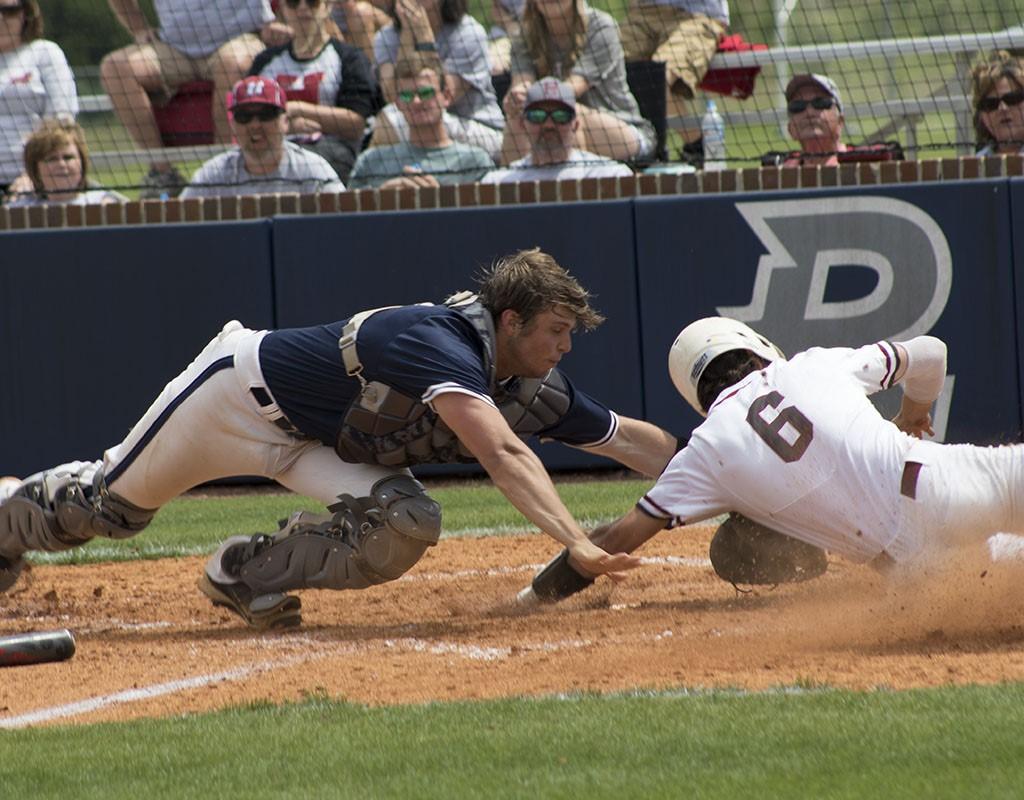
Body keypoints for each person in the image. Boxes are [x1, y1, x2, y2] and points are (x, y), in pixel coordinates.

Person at [0, 249, 679, 632]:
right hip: (233, 401)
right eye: (555, 333)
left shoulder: (525, 382)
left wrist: (719, 474)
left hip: (315, 444)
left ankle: (241, 572)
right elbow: (501, 454)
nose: (564, 348)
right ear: (509, 321)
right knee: (105, 511)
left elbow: (630, 442)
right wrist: (577, 541)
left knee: (406, 522)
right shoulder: (438, 344)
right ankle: (7, 515)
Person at [518, 316, 1024, 607]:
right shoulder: (814, 363)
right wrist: (911, 416)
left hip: (921, 575)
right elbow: (931, 352)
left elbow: (607, 543)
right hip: (947, 484)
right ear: (756, 346)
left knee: (999, 573)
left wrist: (531, 599)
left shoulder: (705, 451)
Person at [100, 0, 290, 197]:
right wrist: (139, 28)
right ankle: (163, 175)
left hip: (242, 39)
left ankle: (223, 174)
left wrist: (282, 19)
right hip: (175, 49)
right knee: (115, 68)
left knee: (231, 63)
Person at [501, 0, 655, 166]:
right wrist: (517, 97)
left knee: (568, 112)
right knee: (518, 117)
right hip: (557, 125)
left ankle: (576, 188)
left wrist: (531, 99)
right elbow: (523, 83)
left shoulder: (601, 26)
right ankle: (514, 185)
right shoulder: (524, 36)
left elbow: (572, 88)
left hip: (624, 131)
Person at [248, 0, 383, 183]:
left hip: (332, 152)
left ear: (327, 7)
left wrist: (297, 109)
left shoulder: (350, 58)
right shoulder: (265, 62)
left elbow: (355, 123)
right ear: (283, 10)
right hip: (275, 147)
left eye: (312, 2)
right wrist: (286, 127)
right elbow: (247, 116)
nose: (303, 7)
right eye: (293, 3)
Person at [370, 0, 505, 160]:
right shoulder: (386, 37)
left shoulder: (469, 33)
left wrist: (424, 37)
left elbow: (444, 96)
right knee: (391, 117)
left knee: (392, 121)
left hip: (477, 128)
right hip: (417, 120)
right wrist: (407, 33)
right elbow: (392, 96)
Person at [180, 75, 344, 198]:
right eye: (244, 116)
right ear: (233, 125)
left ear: (285, 122)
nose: (255, 124)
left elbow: (344, 226)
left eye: (266, 114)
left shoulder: (312, 170)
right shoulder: (213, 175)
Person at [348, 55, 493, 188]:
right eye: (406, 95)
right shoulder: (370, 161)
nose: (416, 101)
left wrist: (438, 200)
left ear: (447, 96)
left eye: (426, 93)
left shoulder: (475, 161)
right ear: (397, 103)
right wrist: (383, 199)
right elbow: (349, 213)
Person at [617, 0, 727, 165]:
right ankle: (645, 147)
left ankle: (695, 148)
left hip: (697, 14)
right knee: (612, 74)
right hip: (642, 11)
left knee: (657, 79)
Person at [481, 77, 633, 183]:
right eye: (537, 116)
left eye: (560, 116)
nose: (548, 125)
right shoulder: (499, 182)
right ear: (522, 125)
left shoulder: (609, 175)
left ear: (576, 125)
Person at [0, 0, 78, 198]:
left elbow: (61, 121)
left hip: (35, 182)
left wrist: (32, 175)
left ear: (26, 13)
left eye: (9, 10)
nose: (0, 17)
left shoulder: (44, 53)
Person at [7, 118, 128, 206]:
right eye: (52, 159)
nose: (61, 164)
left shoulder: (104, 204)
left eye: (68, 157)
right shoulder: (17, 210)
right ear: (36, 169)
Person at [781, 73, 848, 166]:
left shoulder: (862, 164)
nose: (809, 112)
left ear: (840, 122)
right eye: (798, 106)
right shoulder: (781, 172)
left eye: (820, 103)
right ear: (790, 129)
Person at [971, 50, 1024, 156]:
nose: (1002, 108)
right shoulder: (976, 165)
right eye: (991, 104)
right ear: (982, 116)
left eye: (1012, 99)